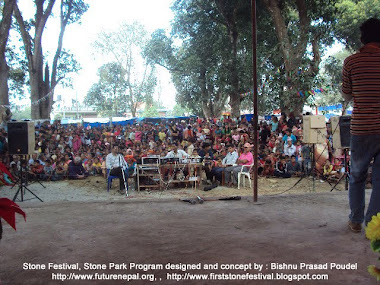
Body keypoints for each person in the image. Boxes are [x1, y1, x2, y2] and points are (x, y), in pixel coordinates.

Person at [341, 18, 380, 232]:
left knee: (357, 175)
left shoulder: (352, 62)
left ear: (363, 38)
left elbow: (346, 94)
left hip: (363, 127)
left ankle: (356, 220)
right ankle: (374, 225)